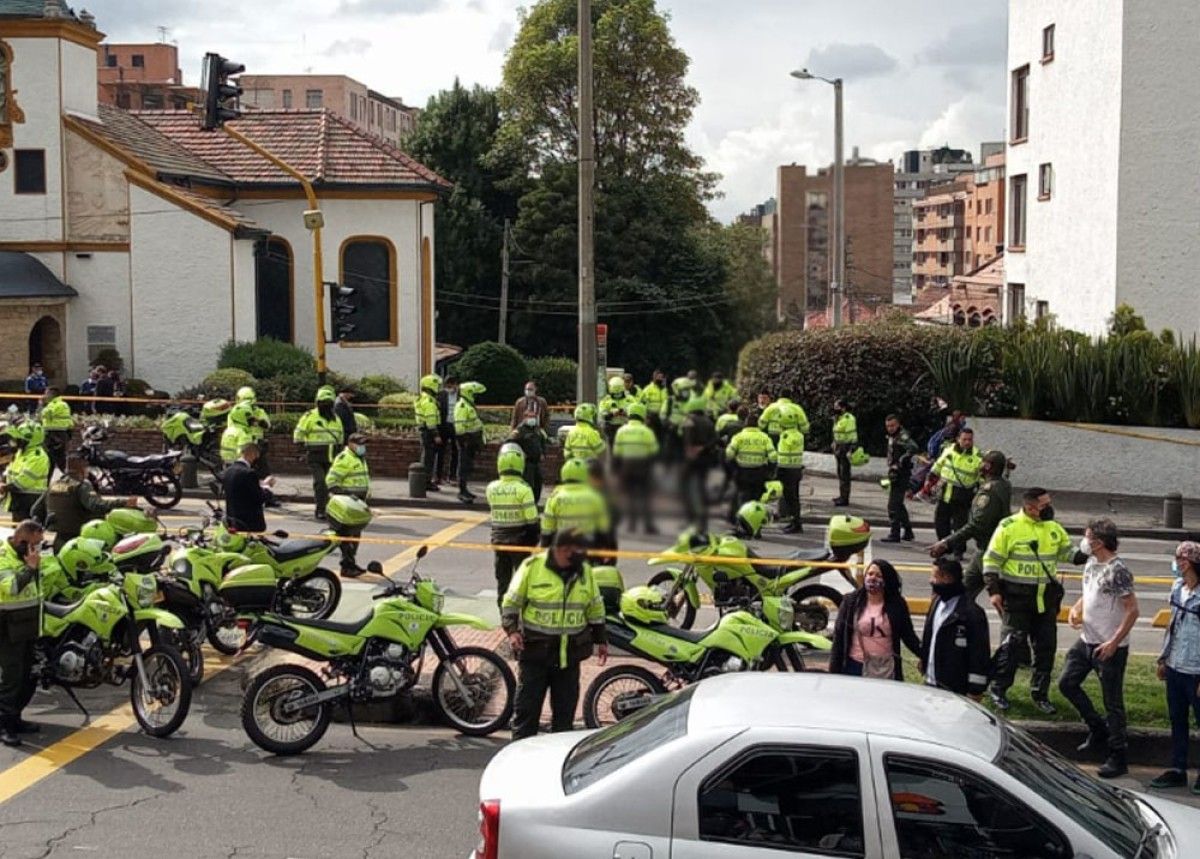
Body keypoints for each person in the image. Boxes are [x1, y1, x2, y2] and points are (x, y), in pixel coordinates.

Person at [502, 529, 607, 739]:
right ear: (558, 549)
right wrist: (512, 631)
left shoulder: (584, 572)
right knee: (526, 714)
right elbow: (511, 602)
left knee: (564, 720)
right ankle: (518, 758)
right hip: (535, 654)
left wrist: (600, 639)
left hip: (568, 657)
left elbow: (595, 607)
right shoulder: (532, 568)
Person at [984, 487, 1080, 714]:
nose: (1050, 508)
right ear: (1030, 507)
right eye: (1045, 504)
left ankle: (1040, 694)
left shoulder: (1054, 528)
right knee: (1011, 648)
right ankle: (998, 689)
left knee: (1046, 649)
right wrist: (994, 591)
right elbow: (991, 561)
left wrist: (1091, 549)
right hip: (1017, 599)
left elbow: (1069, 553)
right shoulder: (1009, 527)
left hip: (1045, 600)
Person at [1059, 518, 1137, 779]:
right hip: (1086, 640)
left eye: (1087, 536)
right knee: (1067, 683)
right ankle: (1097, 728)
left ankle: (1118, 755)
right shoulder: (1092, 563)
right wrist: (1077, 608)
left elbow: (1132, 611)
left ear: (1099, 542)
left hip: (1109, 646)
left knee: (1112, 702)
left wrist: (1113, 642)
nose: (1083, 541)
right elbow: (1090, 592)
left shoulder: (1118, 570)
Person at [1149, 542, 1200, 792]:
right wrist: (1164, 659)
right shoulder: (1178, 588)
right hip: (1176, 666)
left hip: (1196, 670)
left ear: (1186, 563)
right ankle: (1178, 769)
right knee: (1177, 720)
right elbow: (1174, 626)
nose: (1176, 564)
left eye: (1178, 559)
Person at [930, 450, 1012, 600]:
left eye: (982, 462)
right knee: (962, 594)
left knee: (1000, 600)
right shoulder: (1003, 485)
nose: (979, 464)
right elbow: (1003, 480)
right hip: (989, 548)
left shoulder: (989, 492)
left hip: (989, 550)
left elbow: (976, 524)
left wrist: (947, 542)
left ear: (987, 466)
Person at [829, 559, 921, 680]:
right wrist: (833, 671)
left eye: (878, 576)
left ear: (887, 580)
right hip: (855, 665)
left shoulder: (897, 604)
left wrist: (923, 655)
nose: (873, 578)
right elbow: (839, 638)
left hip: (885, 668)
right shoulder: (851, 601)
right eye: (870, 574)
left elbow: (908, 635)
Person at [0, 520, 46, 746]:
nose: (36, 549)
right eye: (34, 544)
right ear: (22, 540)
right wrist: (30, 568)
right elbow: (12, 588)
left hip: (27, 624)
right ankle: (4, 725)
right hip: (8, 626)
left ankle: (16, 718)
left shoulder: (27, 556)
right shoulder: (3, 558)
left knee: (28, 675)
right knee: (11, 678)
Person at [32, 455, 137, 551]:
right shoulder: (81, 485)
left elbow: (35, 510)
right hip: (79, 537)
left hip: (57, 539)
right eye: (87, 469)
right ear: (82, 470)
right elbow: (96, 505)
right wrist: (124, 502)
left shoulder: (53, 485)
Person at [919, 557, 990, 697]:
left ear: (947, 578)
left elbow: (979, 655)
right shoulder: (936, 603)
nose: (931, 581)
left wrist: (975, 690)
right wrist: (924, 658)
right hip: (931, 682)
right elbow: (930, 636)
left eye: (934, 576)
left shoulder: (972, 613)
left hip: (955, 688)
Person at [486, 444, 540, 612]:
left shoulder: (491, 488)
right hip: (520, 542)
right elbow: (532, 520)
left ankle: (505, 615)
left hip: (499, 542)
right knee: (522, 580)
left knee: (503, 581)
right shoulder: (524, 490)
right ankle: (521, 615)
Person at [292, 386, 344, 520]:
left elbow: (340, 437)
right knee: (321, 482)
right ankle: (320, 510)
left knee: (332, 484)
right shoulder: (309, 416)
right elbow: (299, 433)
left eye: (328, 402)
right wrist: (300, 450)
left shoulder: (336, 418)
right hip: (315, 456)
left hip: (333, 456)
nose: (326, 405)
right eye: (323, 402)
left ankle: (330, 509)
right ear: (317, 403)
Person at [326, 433, 371, 577]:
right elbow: (331, 481)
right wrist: (346, 495)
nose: (362, 447)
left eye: (363, 444)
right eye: (359, 444)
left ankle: (350, 564)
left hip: (358, 503)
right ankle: (347, 566)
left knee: (354, 536)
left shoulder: (359, 458)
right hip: (348, 504)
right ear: (350, 444)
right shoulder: (345, 458)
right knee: (347, 537)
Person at [612, 402, 659, 534]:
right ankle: (648, 525)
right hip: (643, 467)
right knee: (645, 497)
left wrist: (617, 470)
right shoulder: (647, 432)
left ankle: (632, 524)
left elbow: (617, 453)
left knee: (630, 496)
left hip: (627, 467)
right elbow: (653, 452)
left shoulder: (621, 431)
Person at [540, 459, 610, 547]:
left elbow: (547, 529)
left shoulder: (554, 496)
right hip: (588, 547)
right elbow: (603, 528)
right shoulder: (595, 496)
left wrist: (545, 548)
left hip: (562, 549)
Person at [931, 427, 982, 541]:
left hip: (963, 496)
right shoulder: (949, 450)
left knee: (960, 525)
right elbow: (937, 466)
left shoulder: (977, 457)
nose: (967, 442)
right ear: (958, 439)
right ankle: (944, 546)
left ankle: (958, 551)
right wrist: (930, 481)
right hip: (945, 493)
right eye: (964, 439)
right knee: (940, 522)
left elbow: (981, 478)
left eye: (970, 439)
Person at [725, 412, 776, 523]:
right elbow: (773, 456)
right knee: (757, 501)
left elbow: (729, 454)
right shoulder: (764, 437)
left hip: (743, 472)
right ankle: (756, 527)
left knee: (743, 499)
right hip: (759, 473)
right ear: (757, 425)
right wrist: (770, 469)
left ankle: (743, 524)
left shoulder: (738, 437)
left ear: (745, 424)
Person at [680, 395, 717, 533]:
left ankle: (690, 519)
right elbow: (715, 439)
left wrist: (691, 451)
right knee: (701, 489)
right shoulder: (709, 422)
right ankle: (703, 521)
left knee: (685, 488)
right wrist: (703, 448)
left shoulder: (689, 421)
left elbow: (685, 438)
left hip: (690, 460)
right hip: (705, 459)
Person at [881, 415, 919, 543]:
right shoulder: (893, 436)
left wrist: (903, 460)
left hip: (901, 473)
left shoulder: (902, 436)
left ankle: (894, 533)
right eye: (888, 426)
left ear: (898, 424)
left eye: (892, 425)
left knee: (893, 505)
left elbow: (913, 447)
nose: (890, 428)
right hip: (894, 472)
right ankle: (908, 531)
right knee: (899, 504)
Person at [2, 424, 50, 523]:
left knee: (27, 530)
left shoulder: (38, 456)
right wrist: (3, 480)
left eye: (19, 438)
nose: (15, 440)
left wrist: (5, 487)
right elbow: (10, 469)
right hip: (19, 498)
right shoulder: (22, 452)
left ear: (29, 440)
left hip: (31, 500)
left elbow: (24, 481)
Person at [222, 443, 273, 533]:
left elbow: (243, 489)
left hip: (232, 521)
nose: (256, 460)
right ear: (251, 454)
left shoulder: (229, 471)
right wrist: (267, 487)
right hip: (249, 523)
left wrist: (260, 484)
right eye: (256, 457)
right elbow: (259, 497)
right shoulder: (249, 473)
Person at [453, 381, 486, 504]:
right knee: (463, 465)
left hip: (470, 441)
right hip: (465, 441)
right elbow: (460, 427)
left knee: (467, 466)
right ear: (469, 393)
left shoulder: (468, 405)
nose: (475, 396)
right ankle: (462, 492)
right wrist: (464, 441)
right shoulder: (462, 406)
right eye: (474, 394)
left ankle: (465, 490)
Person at [230, 387, 272, 479]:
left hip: (255, 444)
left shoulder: (258, 411)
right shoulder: (236, 412)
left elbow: (267, 425)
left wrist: (259, 422)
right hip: (244, 444)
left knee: (261, 471)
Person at [510, 407, 549, 503]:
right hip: (526, 463)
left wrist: (543, 453)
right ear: (525, 418)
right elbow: (510, 443)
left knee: (537, 483)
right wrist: (520, 453)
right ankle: (527, 502)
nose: (533, 419)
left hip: (536, 462)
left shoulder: (537, 429)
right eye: (530, 416)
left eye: (534, 416)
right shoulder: (520, 430)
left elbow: (542, 442)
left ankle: (535, 502)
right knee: (528, 484)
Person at [414, 374, 443, 492]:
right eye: (437, 385)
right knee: (428, 459)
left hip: (424, 430)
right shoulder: (429, 401)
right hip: (429, 432)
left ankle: (425, 481)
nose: (439, 388)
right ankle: (426, 482)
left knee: (426, 457)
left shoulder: (422, 398)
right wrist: (436, 435)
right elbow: (431, 420)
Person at [775, 427, 805, 534]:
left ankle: (796, 524)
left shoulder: (787, 436)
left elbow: (784, 451)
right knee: (792, 498)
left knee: (791, 498)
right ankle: (795, 522)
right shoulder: (799, 435)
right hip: (795, 469)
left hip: (788, 469)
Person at [714, 401, 744, 503]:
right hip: (742, 454)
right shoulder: (745, 424)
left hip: (728, 450)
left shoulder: (723, 419)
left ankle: (722, 496)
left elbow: (717, 434)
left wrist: (722, 445)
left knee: (728, 475)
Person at [39, 387, 72, 477]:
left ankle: (70, 480)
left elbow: (45, 414)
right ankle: (47, 483)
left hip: (55, 435)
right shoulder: (58, 404)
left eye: (46, 394)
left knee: (58, 460)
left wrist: (42, 405)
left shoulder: (57, 404)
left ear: (52, 394)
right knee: (51, 460)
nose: (44, 396)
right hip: (55, 434)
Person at [831, 399, 857, 506]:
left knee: (844, 473)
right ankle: (842, 495)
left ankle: (844, 498)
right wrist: (833, 443)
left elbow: (852, 436)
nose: (835, 409)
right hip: (838, 447)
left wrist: (851, 449)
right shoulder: (839, 418)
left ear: (843, 408)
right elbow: (836, 432)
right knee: (840, 473)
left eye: (837, 407)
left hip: (845, 448)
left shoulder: (849, 418)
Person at [435, 376, 460, 488]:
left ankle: (452, 476)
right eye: (448, 386)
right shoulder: (440, 395)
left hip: (457, 426)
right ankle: (438, 476)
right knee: (441, 451)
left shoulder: (461, 396)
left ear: (456, 385)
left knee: (456, 451)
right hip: (444, 426)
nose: (450, 388)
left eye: (452, 385)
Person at [598, 376, 631, 448]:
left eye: (619, 394)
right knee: (612, 449)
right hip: (611, 428)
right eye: (615, 394)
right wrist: (612, 414)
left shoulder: (629, 399)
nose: (617, 396)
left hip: (625, 427)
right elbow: (603, 415)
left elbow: (636, 413)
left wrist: (626, 413)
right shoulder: (605, 400)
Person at [639, 370, 667, 443]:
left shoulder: (665, 390)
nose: (660, 379)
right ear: (654, 377)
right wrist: (645, 417)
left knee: (662, 438)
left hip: (662, 417)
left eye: (662, 377)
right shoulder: (648, 389)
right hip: (651, 417)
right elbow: (641, 403)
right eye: (658, 377)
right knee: (651, 438)